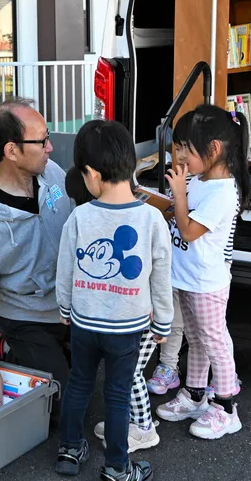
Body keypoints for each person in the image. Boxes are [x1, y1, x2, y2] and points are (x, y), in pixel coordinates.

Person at [54, 120, 172, 481]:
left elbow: (66, 269)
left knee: (79, 384)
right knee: (117, 396)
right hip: (128, 328)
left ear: (90, 173)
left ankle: (70, 449)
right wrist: (163, 324)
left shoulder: (80, 215)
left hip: (84, 323)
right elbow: (161, 277)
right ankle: (118, 468)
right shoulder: (152, 218)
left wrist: (64, 309)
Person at [0, 98, 73, 418]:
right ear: (11, 151)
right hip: (28, 318)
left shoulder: (52, 174)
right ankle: (8, 346)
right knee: (63, 408)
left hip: (72, 304)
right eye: (41, 140)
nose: (50, 147)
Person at [156, 104, 250, 440]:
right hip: (186, 275)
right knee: (195, 340)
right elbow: (177, 214)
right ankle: (195, 394)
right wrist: (168, 200)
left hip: (206, 282)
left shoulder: (223, 192)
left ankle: (225, 406)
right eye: (178, 146)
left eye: (186, 149)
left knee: (215, 341)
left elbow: (189, 230)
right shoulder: (197, 179)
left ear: (214, 149)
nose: (179, 155)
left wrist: (179, 196)